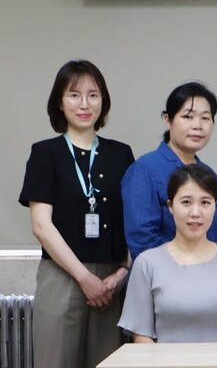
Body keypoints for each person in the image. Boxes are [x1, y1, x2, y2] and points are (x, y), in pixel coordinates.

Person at [19, 60, 135, 368]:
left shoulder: (121, 154)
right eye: (74, 95)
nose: (84, 104)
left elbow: (132, 220)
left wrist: (123, 272)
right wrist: (84, 278)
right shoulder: (45, 153)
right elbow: (41, 226)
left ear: (103, 101)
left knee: (107, 362)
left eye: (93, 95)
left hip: (110, 282)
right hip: (61, 276)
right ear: (60, 101)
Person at [119, 164, 217, 342]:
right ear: (171, 206)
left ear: (215, 206)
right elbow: (142, 337)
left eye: (205, 202)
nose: (195, 213)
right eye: (186, 202)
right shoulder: (147, 263)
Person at [122, 82, 217, 260]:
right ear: (168, 120)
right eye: (188, 116)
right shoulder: (144, 169)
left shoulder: (209, 174)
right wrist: (189, 268)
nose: (197, 125)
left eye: (205, 118)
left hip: (214, 273)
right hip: (165, 274)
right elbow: (142, 240)